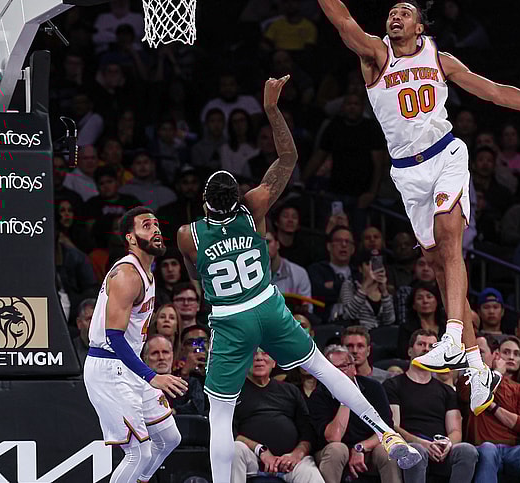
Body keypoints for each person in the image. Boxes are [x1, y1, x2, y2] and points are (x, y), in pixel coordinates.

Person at [317, 0, 520, 415]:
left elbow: (495, 92)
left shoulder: (440, 58)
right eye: (392, 11)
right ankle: (476, 367)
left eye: (405, 12)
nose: (395, 16)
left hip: (445, 155)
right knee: (438, 267)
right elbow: (341, 18)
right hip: (405, 173)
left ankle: (452, 337)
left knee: (450, 241)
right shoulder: (376, 54)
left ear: (420, 26)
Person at [177, 77, 420, 483]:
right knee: (324, 370)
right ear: (238, 197)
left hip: (231, 316)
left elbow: (197, 278)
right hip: (267, 305)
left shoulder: (189, 235)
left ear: (204, 204)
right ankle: (386, 432)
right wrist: (272, 109)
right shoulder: (254, 206)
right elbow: (289, 157)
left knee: (220, 413)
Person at [83, 206, 185, 483]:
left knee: (169, 438)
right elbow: (114, 336)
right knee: (138, 452)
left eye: (157, 225)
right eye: (147, 226)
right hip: (108, 366)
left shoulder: (148, 273)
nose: (156, 230)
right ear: (130, 237)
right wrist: (152, 376)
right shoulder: (127, 274)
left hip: (128, 365)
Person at [384, 329, 478, 483]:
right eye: (421, 344)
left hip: (439, 449)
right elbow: (394, 426)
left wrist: (447, 444)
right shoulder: (393, 385)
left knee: (467, 450)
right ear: (409, 351)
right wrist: (422, 443)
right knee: (417, 451)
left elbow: (455, 431)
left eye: (431, 346)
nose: (426, 349)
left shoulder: (446, 391)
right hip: (411, 447)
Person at [308, 345, 402, 483]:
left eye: (344, 366)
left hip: (367, 448)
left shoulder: (373, 388)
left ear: (353, 368)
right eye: (333, 369)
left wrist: (360, 448)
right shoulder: (319, 395)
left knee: (387, 451)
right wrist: (345, 398)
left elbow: (386, 429)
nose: (339, 372)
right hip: (333, 451)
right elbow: (334, 437)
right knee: (337, 449)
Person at [461, 335, 520, 483]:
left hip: (513, 451)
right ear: (496, 355)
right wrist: (497, 374)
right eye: (506, 352)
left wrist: (493, 407)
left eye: (516, 354)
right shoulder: (470, 380)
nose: (511, 357)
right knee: (488, 448)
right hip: (483, 447)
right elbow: (475, 396)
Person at [231, 350, 323, 483]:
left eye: (265, 353)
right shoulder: (234, 393)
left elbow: (308, 432)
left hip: (290, 461)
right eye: (253, 353)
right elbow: (230, 433)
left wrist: (296, 455)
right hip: (252, 459)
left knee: (311, 475)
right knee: (235, 449)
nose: (259, 358)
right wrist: (260, 450)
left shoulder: (290, 390)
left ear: (274, 362)